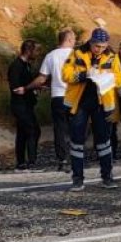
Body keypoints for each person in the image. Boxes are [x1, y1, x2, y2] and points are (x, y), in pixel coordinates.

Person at [61, 27, 121, 192]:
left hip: (102, 103)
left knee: (104, 141)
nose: (100, 49)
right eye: (97, 46)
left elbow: (120, 78)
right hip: (79, 103)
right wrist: (84, 74)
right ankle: (77, 179)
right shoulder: (77, 54)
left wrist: (106, 75)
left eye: (103, 46)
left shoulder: (112, 56)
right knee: (77, 141)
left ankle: (107, 177)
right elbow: (65, 74)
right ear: (91, 42)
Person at [31, 28, 77, 172]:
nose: (75, 41)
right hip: (74, 96)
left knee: (59, 128)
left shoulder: (51, 56)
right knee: (77, 127)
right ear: (69, 39)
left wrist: (27, 87)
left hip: (58, 96)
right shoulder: (77, 55)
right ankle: (77, 158)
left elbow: (42, 78)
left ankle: (62, 160)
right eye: (74, 38)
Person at [8, 39, 42, 171]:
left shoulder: (26, 65)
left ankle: (21, 163)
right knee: (33, 130)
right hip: (20, 105)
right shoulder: (17, 66)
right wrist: (28, 88)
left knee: (22, 133)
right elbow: (16, 87)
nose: (37, 53)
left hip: (26, 104)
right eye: (36, 50)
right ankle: (31, 163)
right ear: (28, 50)